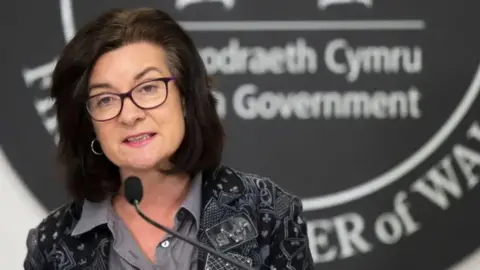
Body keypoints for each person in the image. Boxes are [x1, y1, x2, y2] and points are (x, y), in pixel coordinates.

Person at [23, 7, 314, 270]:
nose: (129, 115)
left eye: (148, 88)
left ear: (185, 99)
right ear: (89, 124)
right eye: (106, 99)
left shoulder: (268, 213)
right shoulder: (53, 245)